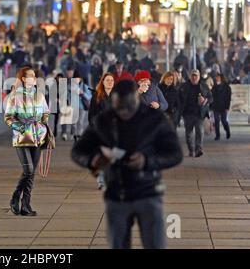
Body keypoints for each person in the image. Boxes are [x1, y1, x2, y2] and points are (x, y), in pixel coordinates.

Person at [72, 80, 183, 249]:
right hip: (117, 192)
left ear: (137, 101)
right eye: (119, 108)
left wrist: (147, 161)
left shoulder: (155, 119)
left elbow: (175, 153)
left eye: (127, 108)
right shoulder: (105, 120)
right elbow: (78, 150)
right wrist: (92, 160)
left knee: (155, 244)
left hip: (148, 191)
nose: (123, 112)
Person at [4, 67, 50, 216]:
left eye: (35, 76)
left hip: (38, 136)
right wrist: (22, 127)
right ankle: (15, 196)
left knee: (32, 173)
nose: (34, 78)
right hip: (22, 137)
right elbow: (8, 117)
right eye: (31, 76)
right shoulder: (14, 96)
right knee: (28, 170)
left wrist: (43, 122)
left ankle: (26, 204)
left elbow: (46, 112)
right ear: (23, 79)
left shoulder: (40, 95)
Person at [88, 72, 115, 190]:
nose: (110, 82)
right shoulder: (97, 96)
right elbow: (91, 114)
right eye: (107, 80)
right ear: (102, 82)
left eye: (112, 80)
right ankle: (101, 181)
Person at [179, 69, 213, 158]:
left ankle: (198, 150)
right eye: (192, 75)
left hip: (199, 113)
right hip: (188, 114)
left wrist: (205, 100)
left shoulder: (204, 86)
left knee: (200, 132)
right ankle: (191, 149)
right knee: (188, 133)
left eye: (196, 75)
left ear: (199, 77)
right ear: (190, 76)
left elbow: (211, 97)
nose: (194, 77)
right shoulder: (184, 86)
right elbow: (179, 98)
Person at [211, 74, 232, 141]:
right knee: (216, 121)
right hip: (216, 106)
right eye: (216, 77)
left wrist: (227, 107)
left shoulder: (227, 87)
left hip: (224, 106)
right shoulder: (214, 86)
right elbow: (211, 96)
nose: (216, 78)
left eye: (218, 77)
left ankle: (227, 131)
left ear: (221, 78)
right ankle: (217, 135)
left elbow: (228, 98)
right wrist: (211, 106)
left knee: (224, 121)